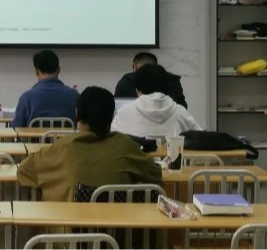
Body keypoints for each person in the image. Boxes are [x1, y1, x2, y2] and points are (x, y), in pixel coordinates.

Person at [17, 86, 161, 202]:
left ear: (77, 113)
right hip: (119, 229)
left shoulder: (61, 148)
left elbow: (23, 171)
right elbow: (155, 174)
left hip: (70, 228)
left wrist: (52, 184)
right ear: (111, 117)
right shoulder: (126, 146)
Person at [111, 64, 202, 138]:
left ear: (137, 91)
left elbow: (111, 142)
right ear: (166, 88)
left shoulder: (124, 114)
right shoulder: (181, 113)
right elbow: (202, 139)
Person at [12, 50, 79, 128]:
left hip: (35, 137)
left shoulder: (26, 98)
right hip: (66, 136)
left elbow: (16, 128)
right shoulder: (75, 96)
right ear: (59, 69)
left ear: (37, 72)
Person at [114, 52, 188, 108]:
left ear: (135, 66)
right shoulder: (172, 81)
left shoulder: (127, 82)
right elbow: (183, 107)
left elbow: (117, 106)